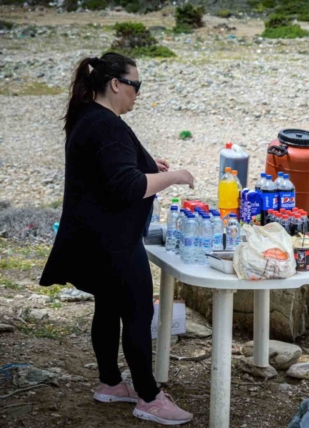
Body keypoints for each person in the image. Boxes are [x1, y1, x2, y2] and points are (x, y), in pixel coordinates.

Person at [40, 52, 195, 425]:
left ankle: (110, 383)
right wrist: (175, 177)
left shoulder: (88, 117)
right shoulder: (106, 125)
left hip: (94, 238)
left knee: (109, 307)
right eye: (135, 85)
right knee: (139, 312)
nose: (138, 93)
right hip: (114, 242)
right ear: (115, 84)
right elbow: (127, 186)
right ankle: (149, 398)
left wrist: (149, 165)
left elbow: (108, 171)